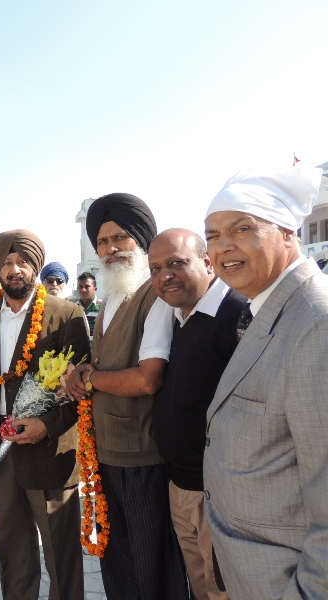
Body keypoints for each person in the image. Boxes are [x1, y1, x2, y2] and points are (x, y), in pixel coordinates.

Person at [202, 167, 328, 599]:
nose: (223, 246)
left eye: (242, 229)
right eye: (213, 235)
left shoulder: (316, 322)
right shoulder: (270, 307)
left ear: (288, 233)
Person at [0, 229, 90, 600]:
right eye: (7, 263)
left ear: (35, 266)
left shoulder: (66, 314)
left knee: (60, 551)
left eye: (23, 261)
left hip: (48, 451)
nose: (15, 269)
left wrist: (46, 425)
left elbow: (80, 390)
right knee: (13, 548)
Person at [67, 193, 189, 600]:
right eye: (103, 241)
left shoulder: (154, 296)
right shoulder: (111, 297)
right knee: (118, 565)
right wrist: (81, 374)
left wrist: (91, 378)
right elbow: (104, 363)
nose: (111, 248)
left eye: (121, 237)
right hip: (107, 454)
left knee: (152, 568)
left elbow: (148, 379)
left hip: (142, 458)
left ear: (141, 240)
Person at [148, 229, 245, 600]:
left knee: (224, 591)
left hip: (219, 495)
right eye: (156, 268)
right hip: (181, 486)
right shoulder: (175, 316)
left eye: (177, 263)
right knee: (201, 588)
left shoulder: (238, 314)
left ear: (207, 262)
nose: (165, 275)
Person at [74, 272, 100, 337]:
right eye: (80, 286)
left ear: (95, 289)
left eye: (87, 286)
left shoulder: (103, 308)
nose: (83, 290)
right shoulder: (73, 308)